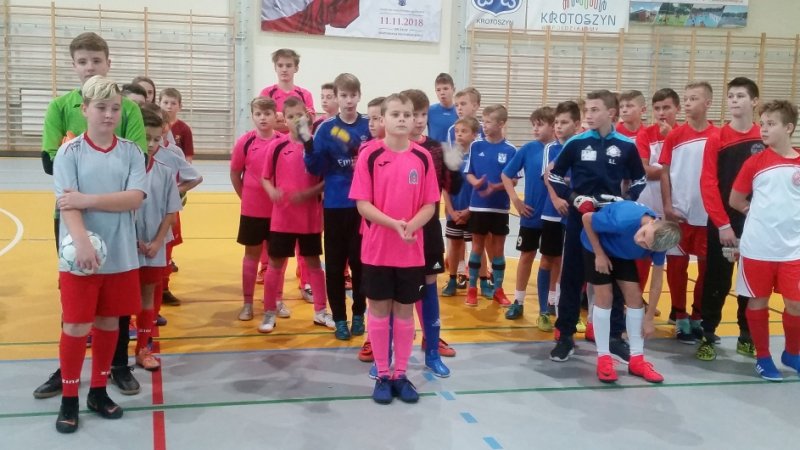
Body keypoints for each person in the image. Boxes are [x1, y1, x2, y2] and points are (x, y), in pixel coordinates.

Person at [34, 31, 146, 402]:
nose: (90, 67)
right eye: (83, 61)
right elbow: (52, 164)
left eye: (96, 60)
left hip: (116, 229)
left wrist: (88, 197)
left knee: (113, 311)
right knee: (75, 304)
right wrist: (78, 202)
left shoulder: (126, 110)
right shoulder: (61, 110)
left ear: (108, 63)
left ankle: (115, 368)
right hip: (73, 223)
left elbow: (137, 174)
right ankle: (66, 376)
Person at [52, 75, 147, 433]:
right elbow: (67, 204)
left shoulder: (131, 152)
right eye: (101, 107)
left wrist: (88, 199)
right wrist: (82, 243)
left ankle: (97, 391)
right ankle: (69, 398)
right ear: (85, 109)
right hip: (81, 256)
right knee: (76, 325)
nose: (108, 115)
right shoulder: (70, 152)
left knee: (110, 323)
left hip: (120, 254)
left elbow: (134, 198)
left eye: (115, 108)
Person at [349, 93, 439, 404]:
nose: (402, 119)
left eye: (407, 114)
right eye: (395, 114)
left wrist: (411, 226)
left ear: (415, 120)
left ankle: (400, 374)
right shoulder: (370, 155)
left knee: (404, 311)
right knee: (378, 310)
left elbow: (429, 204)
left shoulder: (423, 157)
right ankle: (382, 374)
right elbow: (362, 203)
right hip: (377, 249)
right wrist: (394, 224)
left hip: (411, 251)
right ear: (383, 119)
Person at [547, 89, 647, 363]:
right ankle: (565, 336)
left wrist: (626, 201)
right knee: (572, 276)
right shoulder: (576, 143)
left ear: (611, 113)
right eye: (586, 110)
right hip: (580, 219)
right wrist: (573, 198)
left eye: (594, 110)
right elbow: (554, 176)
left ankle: (614, 337)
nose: (588, 115)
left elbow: (639, 180)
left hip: (612, 222)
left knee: (613, 278)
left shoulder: (626, 146)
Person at [730, 99, 800, 381]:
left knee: (795, 304)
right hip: (758, 247)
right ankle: (763, 357)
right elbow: (735, 199)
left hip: (793, 249)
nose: (764, 129)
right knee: (758, 301)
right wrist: (756, 212)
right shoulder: (754, 162)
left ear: (789, 128)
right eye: (762, 124)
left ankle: (792, 353)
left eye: (771, 124)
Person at [696, 77, 762, 361]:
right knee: (717, 280)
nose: (734, 100)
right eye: (731, 96)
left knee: (750, 280)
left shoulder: (763, 136)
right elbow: (708, 183)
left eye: (741, 96)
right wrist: (722, 224)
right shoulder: (717, 137)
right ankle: (708, 334)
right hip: (723, 223)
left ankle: (746, 335)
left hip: (756, 224)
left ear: (754, 101)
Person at [581, 201, 681, 383]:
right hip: (598, 244)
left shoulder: (659, 242)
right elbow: (587, 219)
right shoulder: (622, 220)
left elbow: (656, 282)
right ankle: (603, 358)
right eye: (644, 236)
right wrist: (599, 254)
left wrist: (649, 318)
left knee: (635, 297)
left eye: (646, 246)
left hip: (623, 252)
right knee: (605, 297)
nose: (640, 242)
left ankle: (637, 359)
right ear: (652, 222)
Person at [305, 72, 370, 334]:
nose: (349, 100)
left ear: (359, 96)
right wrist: (308, 147)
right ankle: (340, 319)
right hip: (334, 206)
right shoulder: (326, 128)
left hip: (363, 207)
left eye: (353, 95)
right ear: (337, 97)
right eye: (344, 95)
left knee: (360, 265)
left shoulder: (369, 127)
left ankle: (359, 315)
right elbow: (315, 168)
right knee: (334, 266)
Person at [403, 89, 462, 375]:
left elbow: (452, 188)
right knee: (397, 290)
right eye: (412, 115)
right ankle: (387, 349)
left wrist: (456, 167)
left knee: (429, 285)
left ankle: (431, 344)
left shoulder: (437, 148)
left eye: (423, 114)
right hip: (398, 229)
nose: (418, 120)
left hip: (427, 229)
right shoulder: (388, 149)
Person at [259, 97, 328, 333]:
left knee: (313, 264)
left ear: (307, 116)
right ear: (284, 120)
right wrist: (272, 191)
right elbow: (265, 178)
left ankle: (321, 311)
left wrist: (309, 193)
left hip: (310, 218)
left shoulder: (316, 147)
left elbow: (326, 180)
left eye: (299, 115)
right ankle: (269, 312)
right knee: (275, 265)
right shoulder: (276, 147)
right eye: (290, 116)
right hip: (283, 218)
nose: (295, 120)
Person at [659, 81, 717, 344]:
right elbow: (664, 172)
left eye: (694, 98)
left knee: (706, 271)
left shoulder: (718, 136)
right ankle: (680, 317)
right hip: (679, 214)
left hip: (707, 216)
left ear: (708, 103)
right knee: (677, 269)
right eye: (686, 99)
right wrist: (667, 205)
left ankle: (697, 317)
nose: (689, 103)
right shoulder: (675, 135)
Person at [230, 97, 288, 323]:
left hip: (278, 211)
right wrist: (244, 197)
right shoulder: (245, 142)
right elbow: (235, 173)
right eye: (258, 114)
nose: (263, 118)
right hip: (252, 210)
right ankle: (247, 303)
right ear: (252, 116)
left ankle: (277, 299)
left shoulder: (283, 142)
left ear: (276, 116)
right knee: (251, 256)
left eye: (267, 114)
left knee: (277, 258)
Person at [134, 107, 183, 371]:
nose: (152, 144)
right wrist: (132, 241)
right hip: (127, 248)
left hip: (155, 246)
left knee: (147, 299)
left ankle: (143, 347)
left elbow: (171, 212)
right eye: (146, 138)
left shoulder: (164, 171)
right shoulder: (125, 170)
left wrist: (156, 241)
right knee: (122, 301)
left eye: (156, 139)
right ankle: (115, 354)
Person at [501, 106, 557, 331]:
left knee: (554, 259)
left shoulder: (561, 149)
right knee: (526, 256)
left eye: (540, 125)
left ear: (553, 126)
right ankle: (518, 300)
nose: (535, 129)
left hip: (554, 215)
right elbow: (506, 174)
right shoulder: (528, 149)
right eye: (533, 125)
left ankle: (551, 301)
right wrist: (515, 200)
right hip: (531, 214)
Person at [464, 104, 516, 307]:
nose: (483, 125)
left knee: (498, 249)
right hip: (478, 206)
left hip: (500, 207)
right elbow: (469, 173)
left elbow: (514, 180)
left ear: (501, 124)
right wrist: (475, 182)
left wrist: (497, 186)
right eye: (482, 121)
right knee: (477, 247)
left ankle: (498, 290)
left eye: (488, 122)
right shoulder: (476, 146)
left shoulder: (510, 150)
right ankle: (472, 289)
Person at [634, 88, 680, 309]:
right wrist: (670, 170)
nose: (661, 113)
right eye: (657, 108)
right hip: (649, 204)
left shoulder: (682, 134)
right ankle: (636, 302)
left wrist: (671, 139)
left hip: (675, 207)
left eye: (666, 108)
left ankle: (678, 310)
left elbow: (689, 171)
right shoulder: (645, 134)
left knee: (674, 261)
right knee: (643, 255)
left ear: (677, 109)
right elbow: (643, 170)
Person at [539, 101, 583, 325]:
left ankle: (563, 309)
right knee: (547, 260)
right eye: (556, 122)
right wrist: (556, 199)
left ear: (577, 125)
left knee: (569, 264)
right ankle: (543, 310)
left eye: (564, 122)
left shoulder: (582, 147)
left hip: (574, 212)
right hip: (552, 212)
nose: (558, 126)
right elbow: (548, 176)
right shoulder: (551, 148)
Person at [441, 116, 479, 297]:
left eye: (464, 131)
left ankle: (475, 282)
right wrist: (450, 210)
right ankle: (452, 279)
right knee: (455, 246)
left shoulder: (477, 157)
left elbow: (479, 187)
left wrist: (470, 210)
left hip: (473, 212)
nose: (459, 134)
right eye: (457, 131)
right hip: (454, 212)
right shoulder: (451, 158)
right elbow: (445, 187)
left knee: (477, 246)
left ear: (474, 135)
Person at [259, 48, 315, 132]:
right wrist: (296, 119)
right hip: (273, 139)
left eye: (288, 66)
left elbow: (309, 124)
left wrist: (279, 117)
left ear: (296, 68)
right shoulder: (266, 93)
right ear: (275, 68)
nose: (284, 70)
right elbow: (263, 123)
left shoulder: (305, 94)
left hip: (297, 140)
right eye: (280, 65)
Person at [427, 73, 458, 143]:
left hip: (454, 149)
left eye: (445, 89)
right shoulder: (429, 111)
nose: (442, 92)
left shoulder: (460, 111)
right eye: (438, 90)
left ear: (453, 90)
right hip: (434, 149)